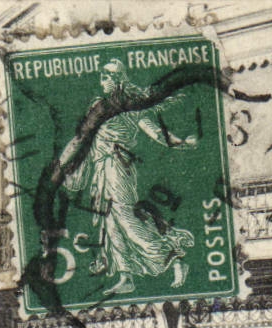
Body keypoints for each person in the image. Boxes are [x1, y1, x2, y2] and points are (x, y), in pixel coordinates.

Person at [56, 60, 199, 297]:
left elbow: (155, 132)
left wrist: (180, 142)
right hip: (101, 170)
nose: (102, 81)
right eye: (102, 77)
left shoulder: (133, 107)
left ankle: (173, 259)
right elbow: (81, 138)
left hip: (118, 166)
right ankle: (126, 276)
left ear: (119, 80)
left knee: (124, 217)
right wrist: (62, 163)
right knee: (109, 222)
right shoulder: (98, 106)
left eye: (107, 77)